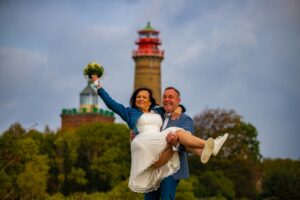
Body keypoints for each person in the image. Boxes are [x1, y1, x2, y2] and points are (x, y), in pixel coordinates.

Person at [91, 75, 228, 194]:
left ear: (150, 101)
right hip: (144, 143)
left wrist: (179, 109)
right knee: (174, 130)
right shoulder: (129, 112)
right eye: (138, 97)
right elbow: (110, 103)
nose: (140, 99)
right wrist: (98, 85)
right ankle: (209, 145)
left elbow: (172, 106)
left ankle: (202, 151)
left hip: (157, 146)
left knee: (175, 138)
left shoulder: (157, 111)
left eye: (144, 97)